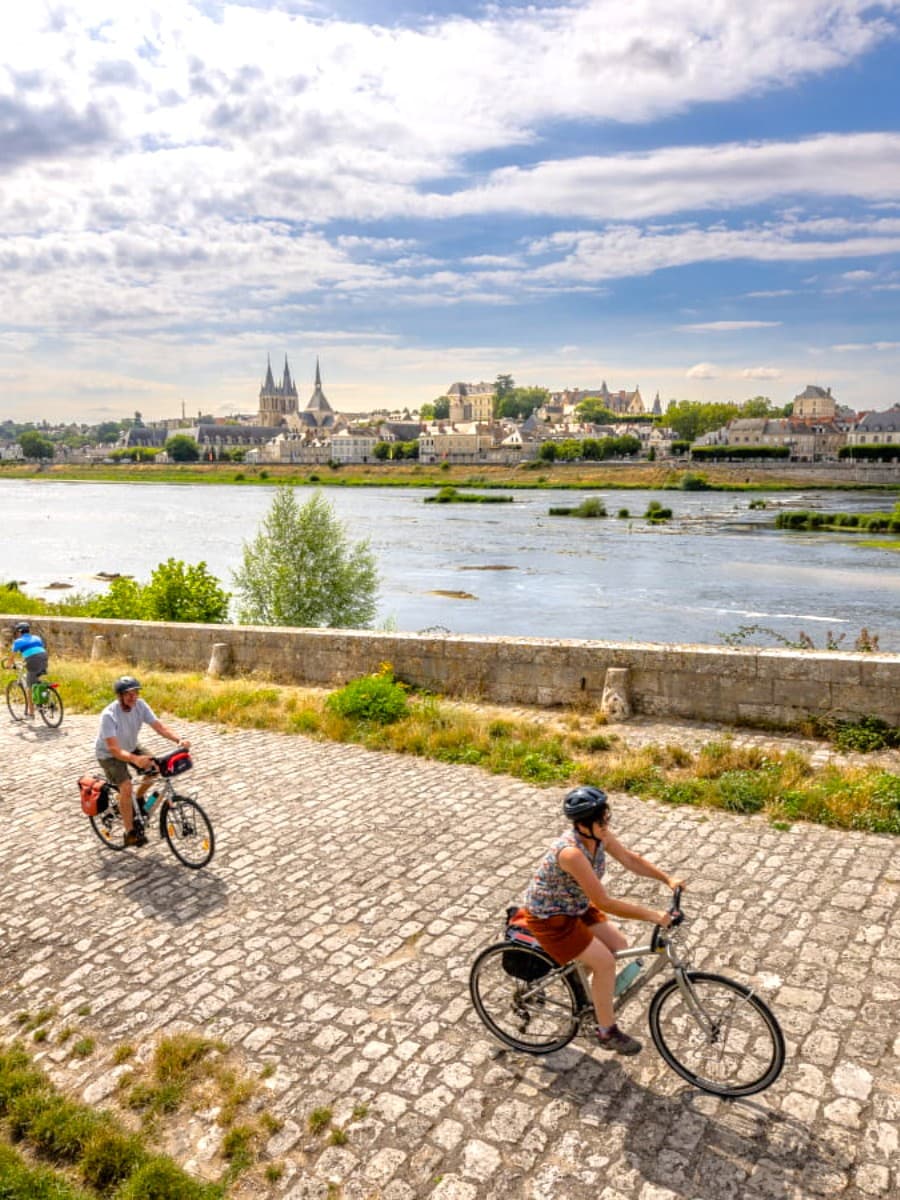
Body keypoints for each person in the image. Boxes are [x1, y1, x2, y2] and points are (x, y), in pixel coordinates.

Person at [519, 785, 684, 1056]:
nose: (606, 824)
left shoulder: (599, 837)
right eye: (601, 820)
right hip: (551, 917)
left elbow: (630, 859)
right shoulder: (570, 853)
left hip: (576, 906)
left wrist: (668, 879)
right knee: (605, 962)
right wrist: (653, 915)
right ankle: (605, 1031)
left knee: (618, 944)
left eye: (606, 818)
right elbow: (605, 902)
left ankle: (581, 992)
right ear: (583, 825)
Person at [95, 675, 191, 848]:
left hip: (131, 746)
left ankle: (137, 799)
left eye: (135, 693)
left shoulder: (140, 705)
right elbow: (114, 750)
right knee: (126, 787)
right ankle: (130, 833)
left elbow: (159, 726)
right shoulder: (109, 715)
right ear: (120, 696)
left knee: (155, 770)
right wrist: (136, 759)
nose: (133, 697)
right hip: (109, 754)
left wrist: (179, 740)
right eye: (128, 694)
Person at [8, 621, 49, 719]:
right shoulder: (37, 638)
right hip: (44, 657)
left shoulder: (18, 641)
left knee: (29, 687)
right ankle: (44, 699)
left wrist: (9, 665)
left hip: (32, 660)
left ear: (19, 632)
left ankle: (31, 714)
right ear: (28, 630)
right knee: (36, 677)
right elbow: (37, 650)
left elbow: (11, 658)